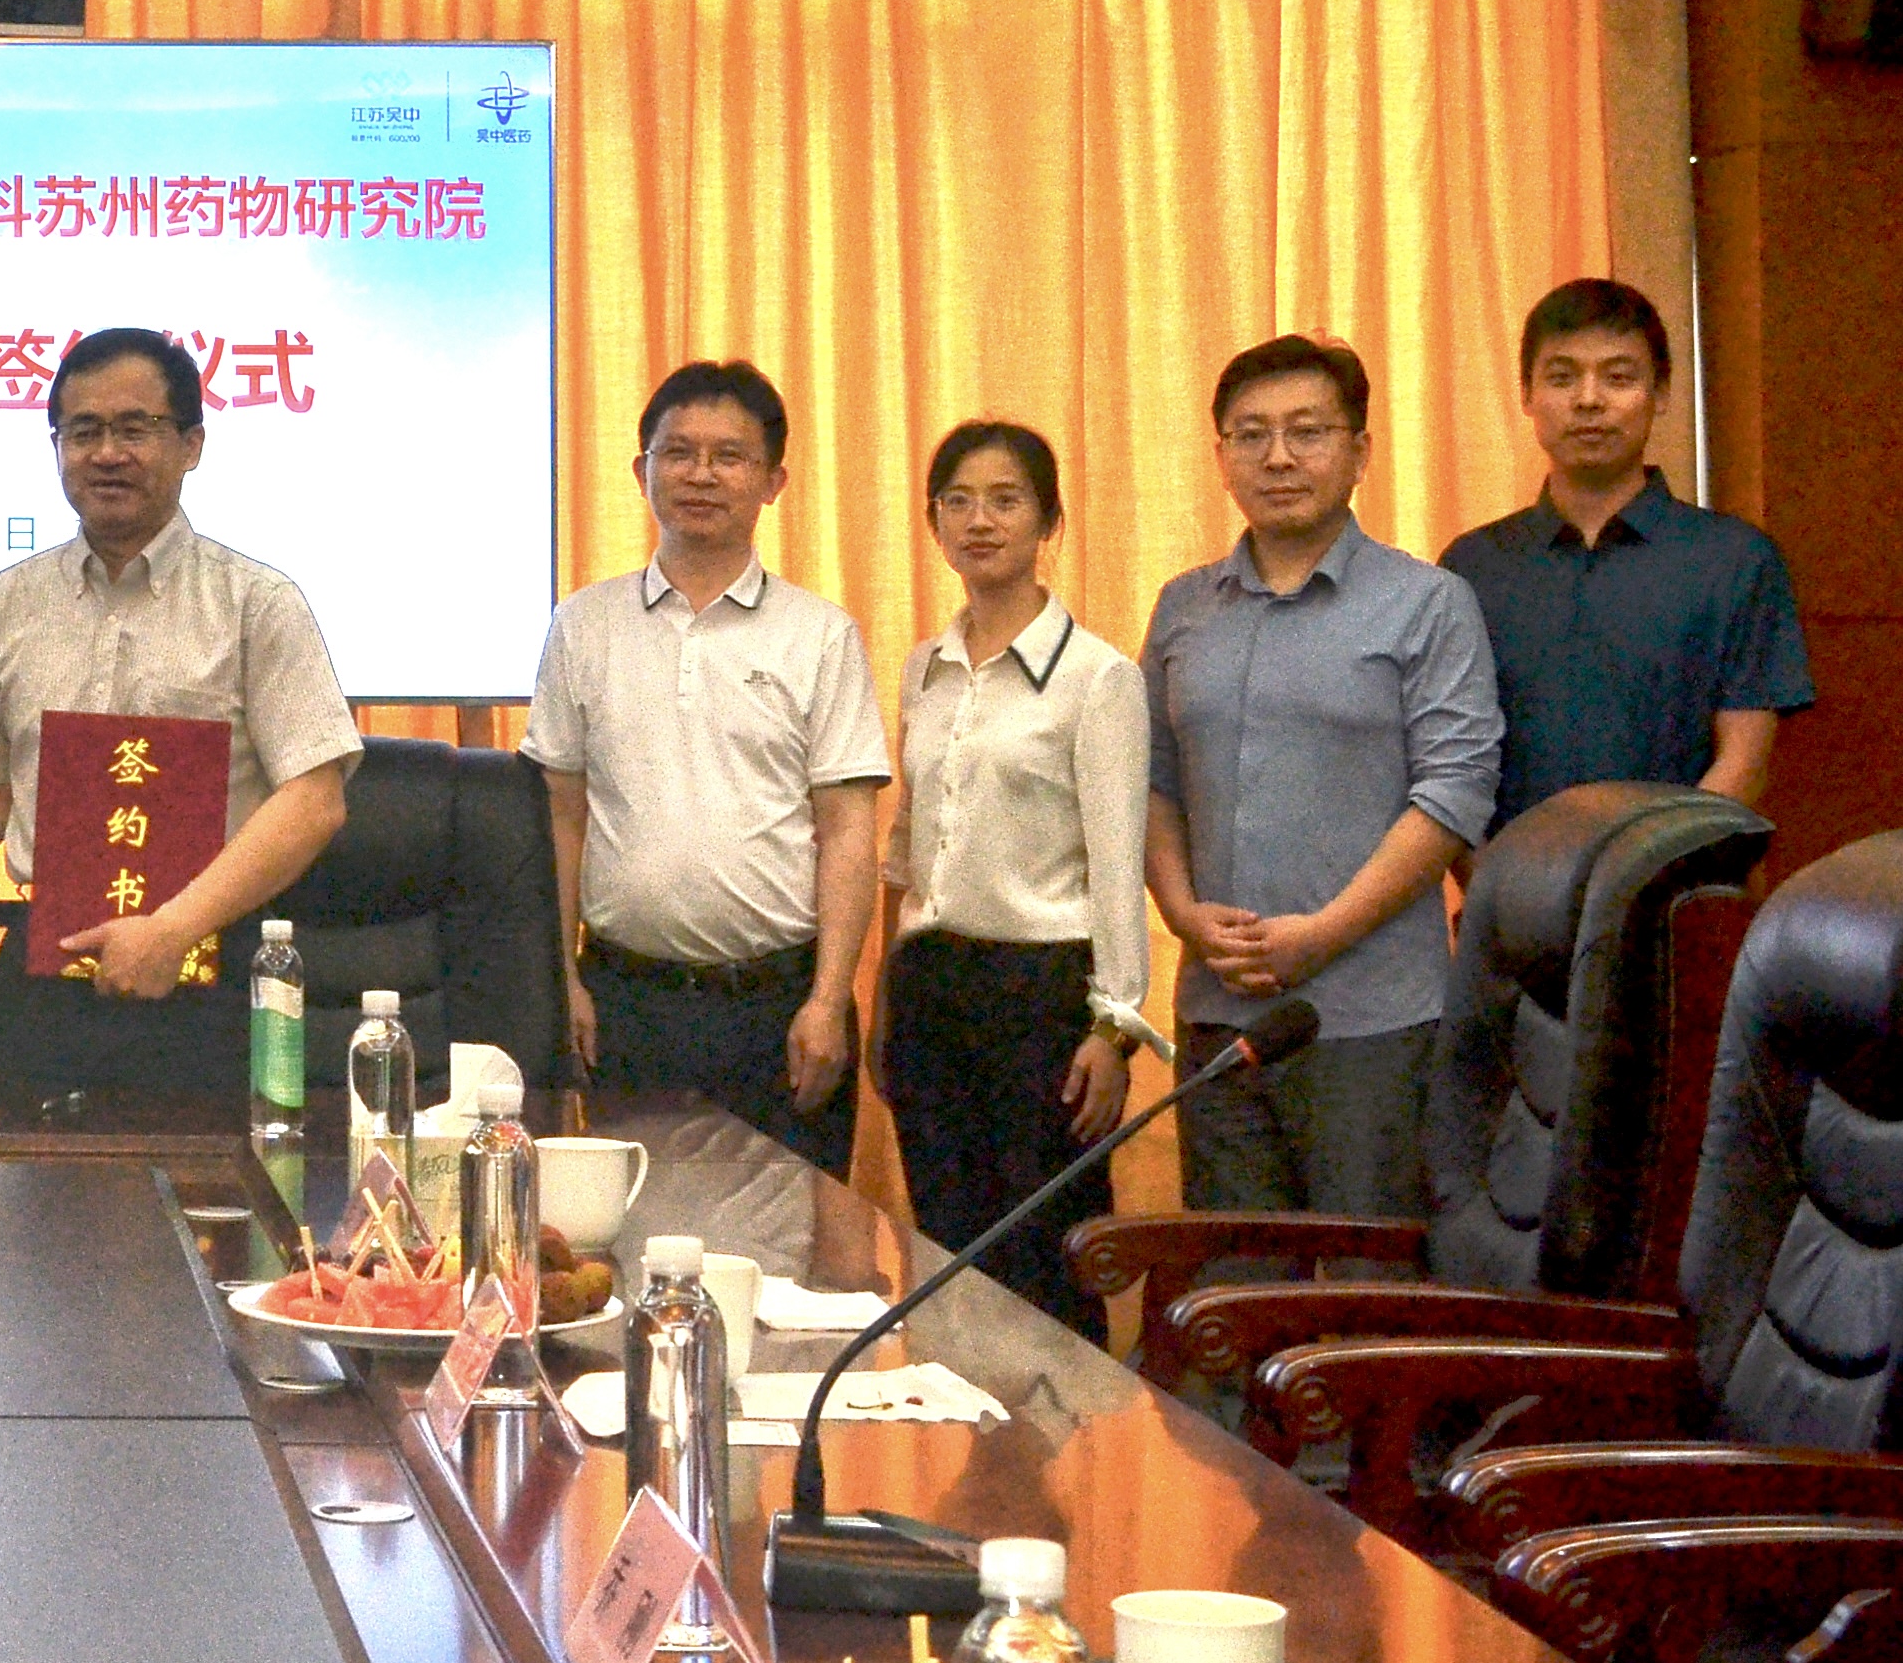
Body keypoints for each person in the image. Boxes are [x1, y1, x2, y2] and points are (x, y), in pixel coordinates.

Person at [0, 328, 360, 1119]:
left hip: (209, 968)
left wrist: (173, 928)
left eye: (134, 429)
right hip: (48, 974)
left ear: (191, 445)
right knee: (36, 1190)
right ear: (56, 447)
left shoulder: (257, 603)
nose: (107, 453)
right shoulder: (8, 602)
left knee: (209, 1191)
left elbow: (315, 799)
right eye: (83, 431)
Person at [1145, 333, 1504, 1219]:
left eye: (1307, 431)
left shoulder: (1428, 603)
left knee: (1365, 1278)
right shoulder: (1185, 607)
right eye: (1251, 434)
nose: (1278, 457)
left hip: (1373, 1018)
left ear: (1359, 451)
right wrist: (1182, 913)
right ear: (1222, 455)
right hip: (1218, 1015)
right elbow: (1152, 783)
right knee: (1231, 1280)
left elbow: (1454, 794)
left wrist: (1324, 934)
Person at [522, 360, 888, 1171]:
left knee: (788, 1242)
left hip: (778, 1010)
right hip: (625, 1003)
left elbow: (848, 831)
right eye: (678, 452)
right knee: (627, 1230)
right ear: (641, 471)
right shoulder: (584, 625)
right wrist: (561, 982)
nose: (701, 474)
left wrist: (829, 999)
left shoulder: (819, 635)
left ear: (773, 481)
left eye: (730, 456)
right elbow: (560, 814)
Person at [877, 421, 1151, 1339]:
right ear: (934, 522)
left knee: (1045, 1261)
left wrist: (1114, 1027)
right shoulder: (925, 667)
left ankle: (1066, 1437)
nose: (980, 521)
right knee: (947, 1256)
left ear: (1049, 521)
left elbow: (1117, 865)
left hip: (1042, 1000)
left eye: (1006, 500)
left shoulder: (1097, 677)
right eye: (957, 501)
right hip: (932, 988)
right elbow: (907, 847)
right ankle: (960, 1432)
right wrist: (886, 999)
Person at [1440, 276, 1810, 828]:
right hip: (1510, 880)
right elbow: (1447, 765)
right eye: (1562, 377)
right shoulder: (1471, 568)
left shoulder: (1736, 561)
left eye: (1618, 377)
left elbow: (1744, 765)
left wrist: (1645, 867)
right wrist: (1494, 873)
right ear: (1526, 395)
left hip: (1682, 877)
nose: (1589, 400)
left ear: (1660, 395)